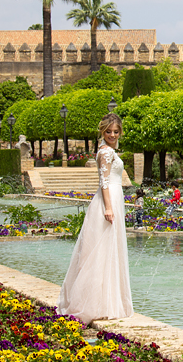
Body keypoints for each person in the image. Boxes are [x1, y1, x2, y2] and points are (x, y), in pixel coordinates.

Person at [57, 113, 133, 324]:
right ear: (102, 131)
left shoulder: (109, 151)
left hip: (114, 200)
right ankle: (94, 303)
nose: (112, 134)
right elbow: (104, 182)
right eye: (108, 131)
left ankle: (105, 302)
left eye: (115, 131)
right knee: (100, 253)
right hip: (108, 202)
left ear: (120, 132)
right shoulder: (106, 153)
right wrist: (108, 208)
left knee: (107, 252)